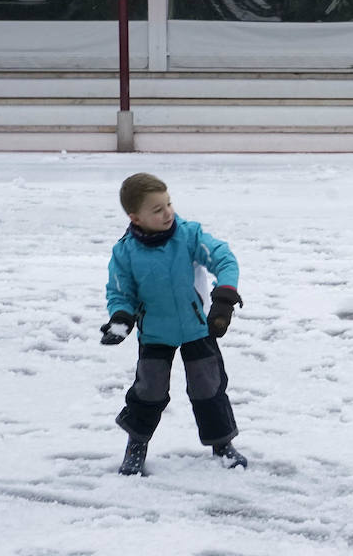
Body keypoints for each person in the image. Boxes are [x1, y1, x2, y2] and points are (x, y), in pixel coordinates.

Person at [100, 172, 248, 476]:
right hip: (155, 332)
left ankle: (222, 444)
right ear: (135, 218)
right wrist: (121, 317)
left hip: (197, 327)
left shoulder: (189, 236)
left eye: (168, 204)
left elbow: (224, 259)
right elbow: (120, 292)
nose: (168, 212)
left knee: (208, 387)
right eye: (157, 209)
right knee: (149, 391)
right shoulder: (125, 252)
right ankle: (136, 445)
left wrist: (224, 296)